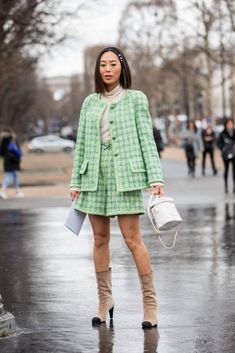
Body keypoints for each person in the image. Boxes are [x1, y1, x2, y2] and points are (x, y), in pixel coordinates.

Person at [70, 47, 164, 329]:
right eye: (102, 65)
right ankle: (104, 300)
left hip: (125, 175)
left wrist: (155, 177)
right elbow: (82, 144)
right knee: (99, 239)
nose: (107, 69)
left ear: (122, 67)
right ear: (97, 70)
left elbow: (146, 140)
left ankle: (150, 304)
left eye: (113, 64)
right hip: (94, 177)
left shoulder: (136, 99)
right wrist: (76, 181)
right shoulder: (89, 102)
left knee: (132, 239)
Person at [0, 128, 24, 199]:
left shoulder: (3, 141)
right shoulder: (13, 141)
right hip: (13, 161)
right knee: (10, 175)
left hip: (8, 161)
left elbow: (1, 153)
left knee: (15, 176)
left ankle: (17, 191)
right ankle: (2, 190)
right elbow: (18, 151)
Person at [217, 118, 235, 193]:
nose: (230, 125)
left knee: (234, 171)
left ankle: (234, 186)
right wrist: (223, 148)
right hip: (225, 154)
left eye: (231, 124)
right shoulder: (222, 133)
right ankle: (226, 186)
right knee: (226, 170)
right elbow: (218, 143)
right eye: (228, 124)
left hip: (234, 154)